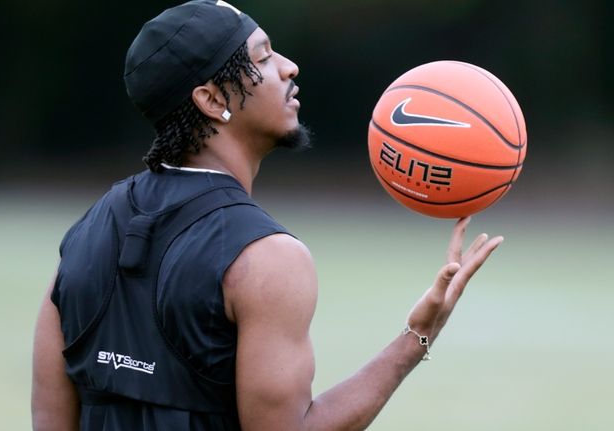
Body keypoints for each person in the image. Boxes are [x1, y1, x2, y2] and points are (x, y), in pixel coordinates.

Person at [31, 1, 504, 430]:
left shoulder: (83, 237)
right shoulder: (266, 258)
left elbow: (50, 422)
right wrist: (418, 336)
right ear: (212, 100)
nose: (288, 67)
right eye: (262, 58)